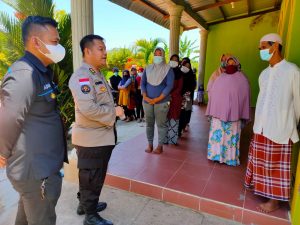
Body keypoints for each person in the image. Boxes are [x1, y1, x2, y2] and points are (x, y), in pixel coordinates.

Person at [0, 16, 68, 225]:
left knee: (27, 217)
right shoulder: (25, 73)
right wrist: (2, 151)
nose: (59, 47)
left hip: (41, 167)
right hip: (36, 172)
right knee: (41, 218)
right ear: (36, 42)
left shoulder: (41, 71)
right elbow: (9, 116)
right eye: (55, 42)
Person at [69, 34, 124, 225]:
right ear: (87, 51)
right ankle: (90, 217)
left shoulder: (96, 73)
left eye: (104, 48)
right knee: (92, 176)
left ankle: (85, 205)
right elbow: (88, 108)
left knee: (92, 175)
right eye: (100, 48)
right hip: (91, 139)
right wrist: (114, 112)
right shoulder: (82, 76)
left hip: (100, 137)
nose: (105, 52)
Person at [244, 33, 300, 213]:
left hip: (280, 127)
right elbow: (262, 100)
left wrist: (291, 125)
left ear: (274, 46)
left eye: (263, 47)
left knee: (276, 164)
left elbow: (298, 102)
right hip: (261, 126)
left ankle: (274, 201)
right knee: (262, 162)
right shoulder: (264, 73)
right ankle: (264, 191)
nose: (260, 51)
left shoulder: (292, 71)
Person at [206, 56, 250, 166]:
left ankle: (230, 158)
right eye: (228, 63)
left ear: (237, 64)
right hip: (218, 115)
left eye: (232, 63)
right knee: (218, 135)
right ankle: (215, 155)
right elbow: (214, 94)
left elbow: (245, 96)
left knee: (230, 137)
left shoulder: (242, 79)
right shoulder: (220, 78)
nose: (230, 65)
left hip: (234, 116)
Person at [141, 47, 174, 154]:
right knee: (149, 124)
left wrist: (157, 99)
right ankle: (150, 144)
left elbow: (169, 86)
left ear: (163, 56)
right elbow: (143, 83)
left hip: (162, 102)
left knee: (161, 124)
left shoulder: (168, 69)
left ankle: (160, 146)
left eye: (160, 54)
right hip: (147, 101)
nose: (157, 56)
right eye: (156, 54)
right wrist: (145, 96)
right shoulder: (148, 68)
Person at [165, 54, 183, 145]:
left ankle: (172, 139)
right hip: (164, 98)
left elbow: (179, 87)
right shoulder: (165, 71)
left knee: (174, 118)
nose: (174, 61)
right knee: (164, 118)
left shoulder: (180, 74)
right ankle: (164, 139)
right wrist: (166, 94)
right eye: (173, 59)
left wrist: (171, 94)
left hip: (175, 99)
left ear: (178, 62)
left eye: (176, 60)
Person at [178, 57, 196, 137]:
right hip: (178, 97)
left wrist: (187, 92)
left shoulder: (191, 75)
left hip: (187, 98)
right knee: (179, 114)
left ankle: (183, 126)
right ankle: (178, 130)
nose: (186, 67)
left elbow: (193, 86)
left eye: (188, 66)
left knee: (185, 114)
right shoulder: (179, 73)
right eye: (185, 65)